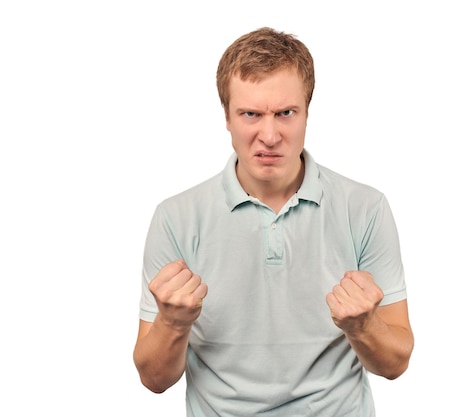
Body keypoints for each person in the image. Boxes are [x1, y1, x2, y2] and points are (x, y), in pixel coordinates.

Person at [133, 27, 414, 416]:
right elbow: (154, 379)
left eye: (285, 113)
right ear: (227, 118)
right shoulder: (175, 217)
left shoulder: (365, 208)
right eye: (251, 114)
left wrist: (364, 326)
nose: (269, 135)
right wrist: (173, 323)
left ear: (307, 113)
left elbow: (396, 363)